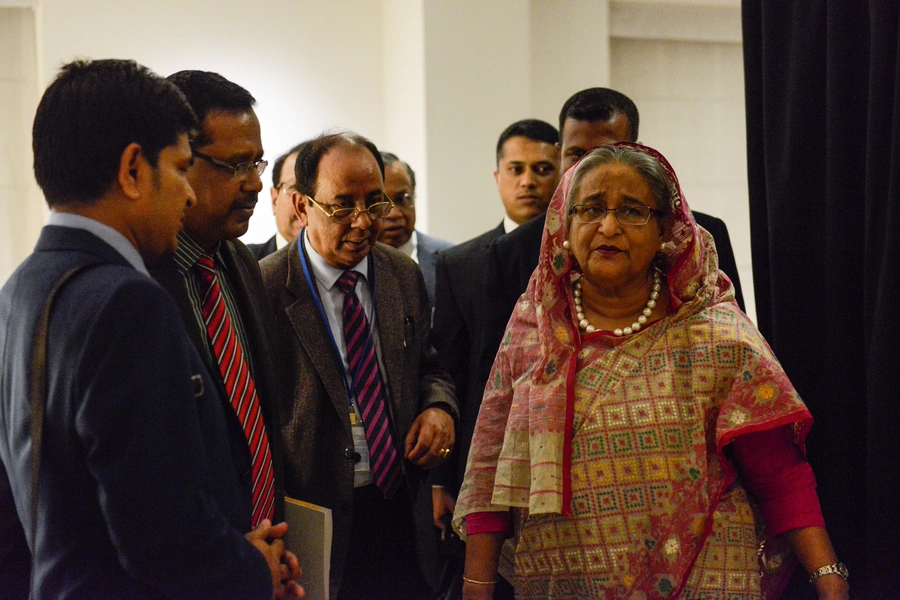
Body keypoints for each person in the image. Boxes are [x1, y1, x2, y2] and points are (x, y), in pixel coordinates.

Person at [454, 143, 849, 600]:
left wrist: (828, 576)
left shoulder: (715, 334)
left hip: (706, 578)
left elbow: (779, 471)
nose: (608, 227)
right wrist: (475, 588)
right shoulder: (534, 331)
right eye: (591, 209)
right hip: (564, 582)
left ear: (666, 227)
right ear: (565, 225)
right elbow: (489, 474)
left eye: (632, 211)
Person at [0, 59, 300, 599]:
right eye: (181, 168)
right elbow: (161, 534)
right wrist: (254, 570)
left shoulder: (20, 287)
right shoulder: (129, 301)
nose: (186, 195)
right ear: (133, 170)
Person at [259, 132, 458, 599]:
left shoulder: (400, 273)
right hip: (313, 518)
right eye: (342, 205)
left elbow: (428, 367)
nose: (364, 221)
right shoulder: (264, 287)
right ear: (301, 206)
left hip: (398, 508)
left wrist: (439, 408)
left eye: (375, 202)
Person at [150, 70, 286, 530]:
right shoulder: (138, 285)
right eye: (235, 166)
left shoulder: (240, 263)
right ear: (180, 160)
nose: (253, 185)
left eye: (258, 164)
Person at [377, 151, 453, 303]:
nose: (393, 214)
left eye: (401, 199)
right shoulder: (352, 265)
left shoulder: (450, 260)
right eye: (381, 203)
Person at [248, 144, 304, 260]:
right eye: (295, 189)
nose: (306, 203)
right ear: (275, 199)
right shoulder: (242, 264)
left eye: (317, 192)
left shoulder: (349, 270)